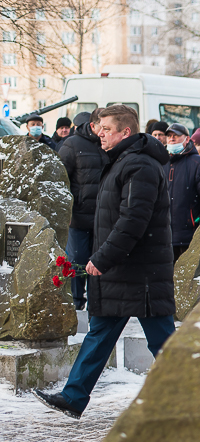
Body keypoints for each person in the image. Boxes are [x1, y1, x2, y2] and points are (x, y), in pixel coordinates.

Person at [32, 105, 176, 419]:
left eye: (107, 129)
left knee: (163, 342)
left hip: (143, 275)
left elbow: (132, 221)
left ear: (126, 132)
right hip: (122, 271)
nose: (100, 133)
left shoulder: (140, 165)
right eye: (100, 128)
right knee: (99, 334)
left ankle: (198, 398)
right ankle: (73, 397)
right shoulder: (122, 160)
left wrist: (102, 258)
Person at [58, 109, 107, 310]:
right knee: (77, 261)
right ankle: (76, 303)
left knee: (99, 263)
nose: (105, 131)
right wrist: (67, 211)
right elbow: (60, 179)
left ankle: (97, 304)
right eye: (103, 127)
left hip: (103, 217)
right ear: (92, 125)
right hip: (78, 216)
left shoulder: (109, 144)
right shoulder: (72, 144)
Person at [165, 123, 200, 262]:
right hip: (164, 235)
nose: (172, 139)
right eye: (169, 136)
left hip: (189, 234)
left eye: (176, 136)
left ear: (187, 139)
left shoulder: (198, 163)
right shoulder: (161, 162)